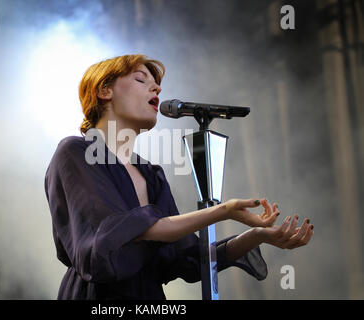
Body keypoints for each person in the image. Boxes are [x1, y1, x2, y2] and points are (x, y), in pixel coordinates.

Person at [44, 54, 314, 300]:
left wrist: (257, 235)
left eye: (157, 84)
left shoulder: (152, 175)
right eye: (141, 79)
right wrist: (223, 211)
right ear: (104, 90)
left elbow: (186, 259)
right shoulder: (75, 152)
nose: (157, 88)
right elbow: (105, 241)